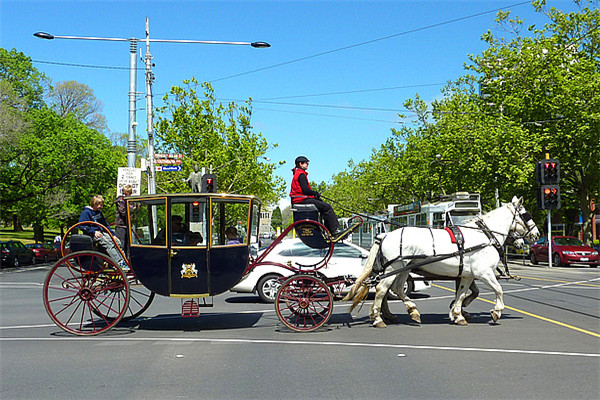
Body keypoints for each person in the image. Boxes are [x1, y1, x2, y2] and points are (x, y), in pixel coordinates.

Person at [289, 156, 342, 238]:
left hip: (299, 199)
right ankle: (335, 230)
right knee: (327, 207)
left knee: (323, 205)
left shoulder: (298, 173)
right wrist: (315, 193)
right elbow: (305, 190)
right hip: (301, 200)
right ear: (300, 164)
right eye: (306, 163)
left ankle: (330, 231)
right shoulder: (301, 174)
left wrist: (314, 196)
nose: (307, 164)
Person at [78, 195, 128, 269]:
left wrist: (112, 235)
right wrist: (93, 232)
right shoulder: (86, 212)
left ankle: (125, 261)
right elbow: (82, 226)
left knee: (116, 242)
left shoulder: (99, 212)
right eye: (99, 205)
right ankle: (119, 262)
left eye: (102, 205)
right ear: (94, 203)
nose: (101, 206)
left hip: (102, 232)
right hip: (91, 234)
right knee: (108, 243)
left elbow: (105, 225)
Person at [114, 184, 134, 254]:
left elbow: (136, 210)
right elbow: (123, 212)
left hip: (128, 226)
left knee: (127, 245)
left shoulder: (132, 201)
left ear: (130, 194)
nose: (124, 196)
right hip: (120, 226)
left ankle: (127, 260)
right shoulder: (120, 200)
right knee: (120, 245)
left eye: (126, 194)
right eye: (123, 193)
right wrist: (131, 210)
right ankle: (120, 261)